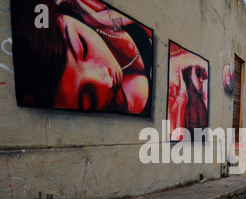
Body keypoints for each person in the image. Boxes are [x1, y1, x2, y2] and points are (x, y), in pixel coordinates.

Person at [11, 0, 153, 116]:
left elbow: (144, 20)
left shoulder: (96, 17)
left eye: (83, 47)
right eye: (88, 98)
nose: (105, 80)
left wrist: (95, 18)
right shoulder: (129, 103)